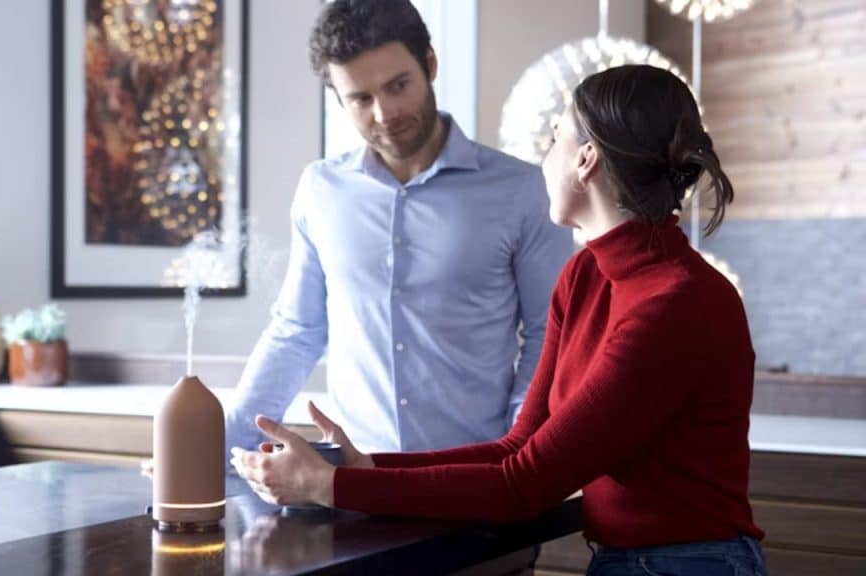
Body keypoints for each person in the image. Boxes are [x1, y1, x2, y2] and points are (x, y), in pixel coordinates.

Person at [232, 64, 770, 576]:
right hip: (626, 560)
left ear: (585, 161)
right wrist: (363, 469)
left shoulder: (675, 304)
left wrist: (328, 486)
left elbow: (524, 484)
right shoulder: (585, 276)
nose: (543, 161)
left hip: (689, 564)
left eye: (553, 139)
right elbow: (518, 447)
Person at [226, 0, 572, 456]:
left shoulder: (522, 190)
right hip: (354, 485)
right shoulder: (321, 190)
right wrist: (219, 447)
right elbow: (297, 331)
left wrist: (518, 447)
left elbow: (552, 333)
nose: (385, 113)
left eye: (398, 86)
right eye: (361, 99)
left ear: (429, 64)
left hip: (477, 480)